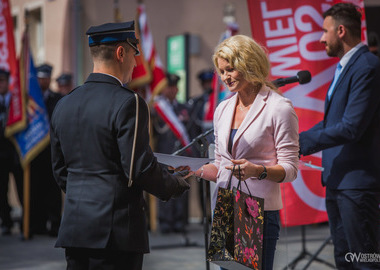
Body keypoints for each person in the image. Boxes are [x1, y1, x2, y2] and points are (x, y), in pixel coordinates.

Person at [50, 21, 190, 270]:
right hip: (115, 233)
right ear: (121, 53)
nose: (136, 64)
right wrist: (174, 185)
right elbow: (139, 168)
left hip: (75, 229)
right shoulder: (130, 103)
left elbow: (61, 171)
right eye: (134, 55)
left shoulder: (65, 103)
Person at [189, 35, 299, 270]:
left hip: (257, 210)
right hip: (227, 207)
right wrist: (191, 169)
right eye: (221, 71)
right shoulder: (223, 108)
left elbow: (290, 169)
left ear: (249, 64)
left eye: (231, 69)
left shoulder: (279, 108)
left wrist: (257, 171)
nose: (225, 77)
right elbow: (220, 164)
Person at [299, 3, 380, 269]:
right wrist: (293, 140)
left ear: (341, 31)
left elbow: (351, 127)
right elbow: (331, 122)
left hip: (356, 187)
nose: (321, 38)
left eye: (325, 31)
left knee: (365, 262)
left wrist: (304, 143)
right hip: (338, 183)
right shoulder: (346, 67)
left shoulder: (366, 66)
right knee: (344, 261)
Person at [152, 72, 190, 234]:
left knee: (182, 187)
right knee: (165, 186)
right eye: (169, 87)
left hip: (181, 154)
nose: (172, 90)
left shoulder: (184, 108)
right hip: (164, 154)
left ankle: (180, 221)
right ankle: (166, 221)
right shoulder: (156, 109)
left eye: (174, 87)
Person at [29, 63, 62, 236]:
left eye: (46, 78)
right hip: (35, 152)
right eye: (41, 78)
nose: (44, 81)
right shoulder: (30, 100)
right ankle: (37, 224)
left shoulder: (57, 99)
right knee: (35, 190)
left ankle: (55, 224)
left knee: (53, 190)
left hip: (52, 151)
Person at [0, 69, 23, 236]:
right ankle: (6, 222)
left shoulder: (17, 102)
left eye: (2, 81)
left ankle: (25, 223)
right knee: (2, 190)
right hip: (1, 154)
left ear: (8, 82)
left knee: (22, 188)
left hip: (16, 153)